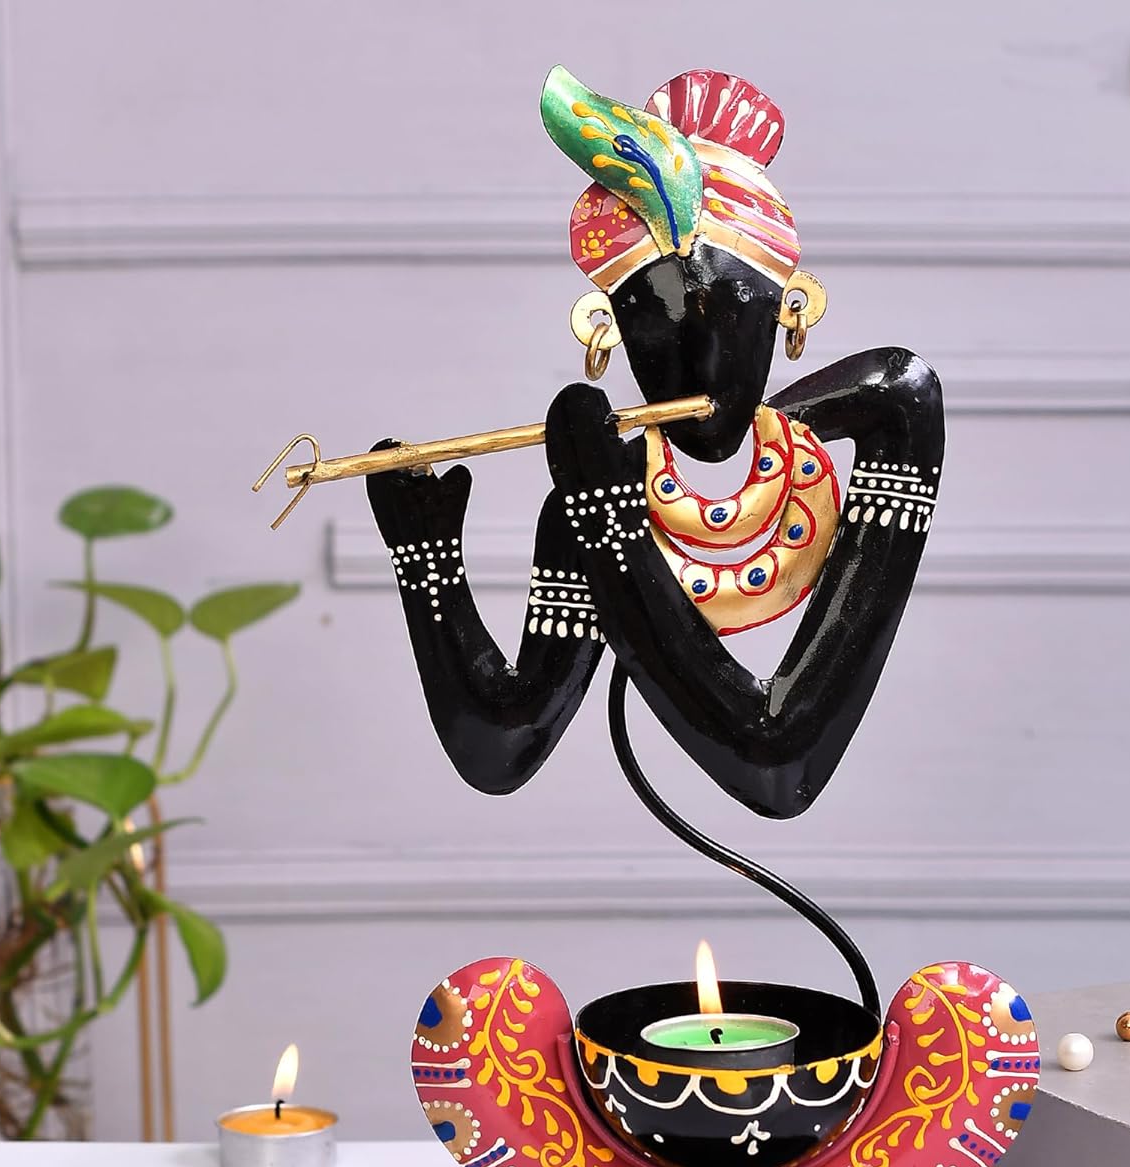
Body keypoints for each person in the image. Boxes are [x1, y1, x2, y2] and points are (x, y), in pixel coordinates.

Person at [368, 67, 944, 819]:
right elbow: (501, 747)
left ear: (791, 308)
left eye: (730, 321)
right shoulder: (594, 502)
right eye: (653, 333)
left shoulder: (896, 418)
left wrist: (613, 533)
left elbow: (780, 763)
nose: (695, 368)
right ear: (605, 333)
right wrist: (427, 560)